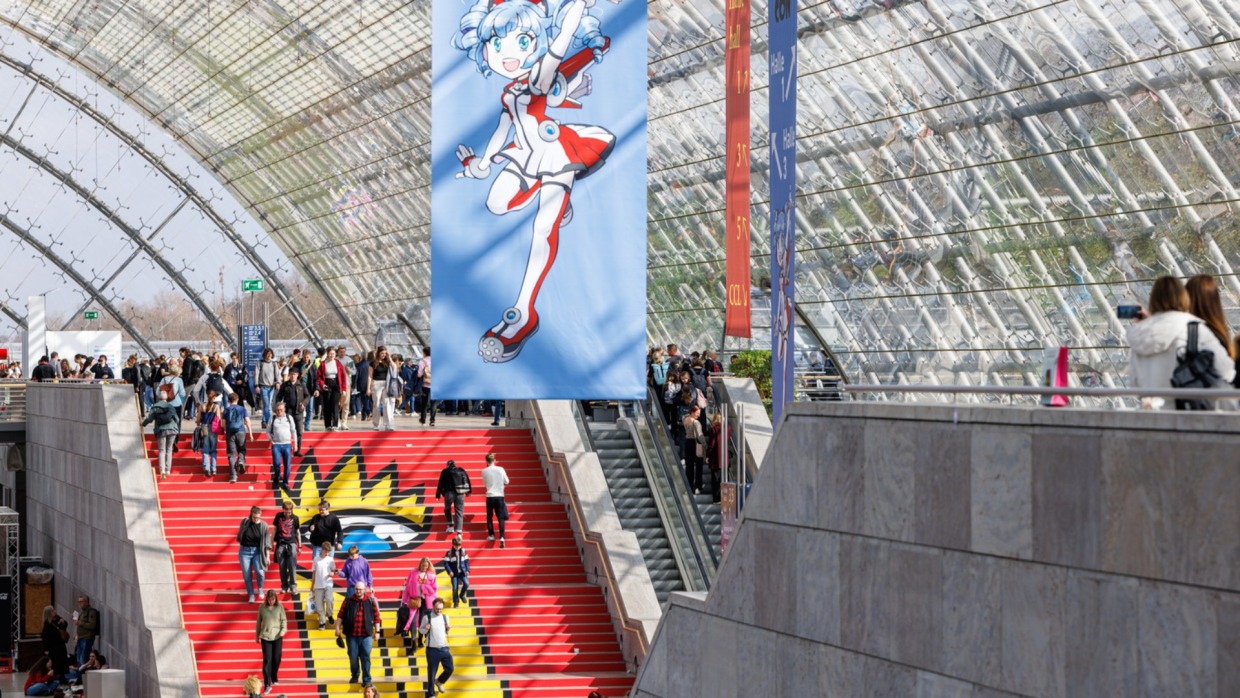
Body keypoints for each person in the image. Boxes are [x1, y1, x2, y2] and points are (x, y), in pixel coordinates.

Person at [1126, 275, 1234, 409]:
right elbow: (1227, 371)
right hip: (1188, 414)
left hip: (1152, 417)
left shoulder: (1140, 336)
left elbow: (1134, 384)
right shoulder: (1194, 329)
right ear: (1183, 296)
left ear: (1153, 299)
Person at [336, 580, 382, 686]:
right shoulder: (348, 600)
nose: (358, 591)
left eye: (360, 589)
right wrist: (337, 627)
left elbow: (377, 617)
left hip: (366, 634)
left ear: (364, 590)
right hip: (351, 635)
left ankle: (367, 679)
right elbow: (340, 614)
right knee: (353, 656)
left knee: (365, 656)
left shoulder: (370, 601)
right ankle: (355, 675)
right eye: (356, 589)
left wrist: (377, 631)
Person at [143, 384, 180, 480]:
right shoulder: (170, 406)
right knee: (169, 450)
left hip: (161, 430)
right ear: (166, 397)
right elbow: (177, 419)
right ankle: (168, 470)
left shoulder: (155, 407)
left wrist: (142, 424)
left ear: (159, 397)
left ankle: (162, 470)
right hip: (172, 429)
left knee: (161, 450)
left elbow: (149, 419)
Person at [419, 597, 454, 697]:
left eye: (441, 609)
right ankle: (431, 694)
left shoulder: (445, 617)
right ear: (433, 607)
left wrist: (448, 628)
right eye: (437, 609)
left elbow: (446, 631)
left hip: (444, 648)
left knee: (450, 668)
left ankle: (439, 681)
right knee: (431, 673)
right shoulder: (427, 617)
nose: (439, 611)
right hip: (432, 649)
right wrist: (425, 629)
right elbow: (421, 630)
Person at [400, 556, 438, 647]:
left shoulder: (431, 576)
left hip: (425, 601)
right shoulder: (413, 573)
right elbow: (408, 587)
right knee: (412, 621)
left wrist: (424, 587)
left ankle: (420, 640)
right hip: (414, 599)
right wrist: (405, 600)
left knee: (422, 621)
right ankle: (413, 641)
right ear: (420, 564)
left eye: (426, 566)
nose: (424, 567)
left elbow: (434, 589)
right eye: (423, 565)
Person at [237, 506, 271, 603]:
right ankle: (251, 594)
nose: (256, 519)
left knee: (260, 572)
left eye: (258, 517)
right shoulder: (245, 522)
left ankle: (260, 588)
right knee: (247, 575)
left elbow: (267, 541)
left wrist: (267, 556)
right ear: (251, 515)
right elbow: (240, 535)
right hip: (244, 551)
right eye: (254, 517)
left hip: (257, 551)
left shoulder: (264, 525)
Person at [256, 589, 287, 694]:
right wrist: (257, 636)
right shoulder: (262, 608)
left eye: (273, 599)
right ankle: (267, 684)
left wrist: (283, 630)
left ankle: (274, 675)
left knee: (277, 658)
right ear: (267, 599)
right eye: (269, 599)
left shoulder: (279, 607)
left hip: (278, 636)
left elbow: (284, 620)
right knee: (267, 661)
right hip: (265, 637)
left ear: (275, 599)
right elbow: (258, 622)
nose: (271, 601)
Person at [276, 367, 310, 456]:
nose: (293, 376)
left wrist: (303, 403)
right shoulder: (285, 385)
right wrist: (279, 406)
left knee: (299, 431)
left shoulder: (301, 385)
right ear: (289, 375)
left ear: (297, 375)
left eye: (294, 374)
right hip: (288, 412)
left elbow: (307, 396)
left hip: (298, 411)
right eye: (291, 374)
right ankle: (286, 450)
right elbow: (279, 397)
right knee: (286, 431)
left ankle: (297, 451)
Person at [223, 393, 254, 484]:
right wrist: (251, 434)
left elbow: (223, 423)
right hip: (241, 431)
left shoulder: (226, 410)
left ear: (229, 401)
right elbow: (247, 421)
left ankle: (233, 476)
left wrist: (225, 431)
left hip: (230, 433)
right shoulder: (242, 409)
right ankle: (240, 460)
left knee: (231, 454)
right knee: (242, 449)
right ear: (237, 399)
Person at [316, 347, 349, 431]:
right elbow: (319, 376)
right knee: (327, 405)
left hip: (336, 385)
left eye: (333, 354)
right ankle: (327, 425)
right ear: (327, 354)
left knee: (335, 405)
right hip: (327, 384)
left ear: (335, 354)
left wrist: (344, 389)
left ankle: (335, 424)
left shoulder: (340, 362)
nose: (332, 355)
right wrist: (322, 384)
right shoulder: (323, 364)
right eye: (330, 354)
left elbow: (344, 376)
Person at [267, 402, 298, 490]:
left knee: (287, 465)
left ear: (284, 409)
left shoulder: (289, 418)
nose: (279, 412)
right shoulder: (272, 418)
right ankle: (277, 476)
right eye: (278, 410)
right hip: (276, 444)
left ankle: (285, 483)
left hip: (287, 444)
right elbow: (268, 431)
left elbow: (293, 431)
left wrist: (295, 443)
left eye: (281, 410)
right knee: (276, 463)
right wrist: (271, 440)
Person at [435, 460, 471, 534]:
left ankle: (450, 526)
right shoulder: (461, 470)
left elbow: (440, 483)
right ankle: (459, 532)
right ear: (455, 465)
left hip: (448, 493)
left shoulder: (445, 471)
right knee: (459, 512)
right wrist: (469, 491)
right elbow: (467, 480)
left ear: (447, 465)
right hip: (460, 493)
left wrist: (438, 495)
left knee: (447, 509)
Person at [273, 500, 301, 594]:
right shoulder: (278, 516)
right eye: (286, 512)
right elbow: (274, 530)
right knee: (282, 567)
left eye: (289, 512)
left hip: (291, 544)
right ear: (283, 509)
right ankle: (284, 586)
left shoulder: (295, 518)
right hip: (281, 544)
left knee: (292, 566)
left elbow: (297, 532)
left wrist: (299, 546)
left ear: (292, 510)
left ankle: (293, 586)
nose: (287, 514)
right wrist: (271, 543)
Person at [482, 453, 510, 546]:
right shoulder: (500, 469)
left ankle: (491, 534)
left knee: (489, 516)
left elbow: (485, 484)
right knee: (500, 517)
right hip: (500, 495)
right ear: (494, 460)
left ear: (486, 461)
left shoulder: (484, 471)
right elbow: (507, 481)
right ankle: (502, 536)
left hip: (490, 495)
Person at [370, 346, 400, 431]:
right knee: (376, 404)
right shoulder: (373, 363)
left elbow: (394, 367)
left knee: (387, 404)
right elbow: (370, 376)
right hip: (376, 384)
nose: (383, 355)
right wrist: (368, 388)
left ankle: (387, 424)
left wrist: (389, 358)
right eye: (382, 353)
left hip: (386, 384)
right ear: (378, 353)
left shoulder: (387, 362)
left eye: (385, 353)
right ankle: (376, 424)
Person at [197, 390, 223, 478]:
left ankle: (206, 467)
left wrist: (198, 425)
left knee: (205, 449)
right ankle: (213, 468)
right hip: (213, 428)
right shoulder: (216, 406)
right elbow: (218, 419)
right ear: (214, 397)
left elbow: (198, 419)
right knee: (213, 449)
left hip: (204, 427)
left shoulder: (202, 406)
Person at [40, 605, 70, 679]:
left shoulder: (57, 618)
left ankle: (62, 677)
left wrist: (62, 623)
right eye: (53, 611)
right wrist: (46, 649)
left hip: (60, 645)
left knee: (63, 662)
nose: (55, 611)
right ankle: (57, 677)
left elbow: (64, 626)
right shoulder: (47, 624)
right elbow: (45, 637)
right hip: (53, 647)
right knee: (56, 663)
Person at [312, 542, 337, 629]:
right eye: (326, 551)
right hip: (318, 585)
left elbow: (335, 570)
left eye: (328, 552)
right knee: (319, 604)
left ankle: (329, 614)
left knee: (329, 599)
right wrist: (312, 585)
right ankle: (322, 622)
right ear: (322, 550)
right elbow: (314, 573)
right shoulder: (316, 559)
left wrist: (333, 573)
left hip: (328, 583)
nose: (327, 553)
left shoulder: (330, 559)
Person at [682, 404, 706, 493]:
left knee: (689, 466)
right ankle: (698, 486)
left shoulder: (685, 419)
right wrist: (705, 445)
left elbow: (684, 417)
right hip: (696, 444)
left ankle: (689, 486)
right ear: (692, 412)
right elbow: (700, 436)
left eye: (699, 413)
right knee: (699, 466)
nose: (698, 415)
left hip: (687, 443)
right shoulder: (696, 423)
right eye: (697, 413)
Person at [73, 595, 100, 670]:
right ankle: (79, 674)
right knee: (79, 657)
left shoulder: (91, 611)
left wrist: (80, 623)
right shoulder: (83, 612)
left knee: (83, 658)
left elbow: (92, 625)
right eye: (79, 602)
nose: (79, 603)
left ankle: (81, 675)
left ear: (86, 602)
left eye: (81, 602)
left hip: (87, 638)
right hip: (81, 637)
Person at [443, 535, 471, 607]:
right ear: (453, 545)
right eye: (456, 546)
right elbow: (446, 563)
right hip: (454, 573)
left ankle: (462, 595)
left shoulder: (464, 551)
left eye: (459, 546)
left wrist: (468, 570)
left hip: (462, 572)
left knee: (467, 584)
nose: (458, 547)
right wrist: (449, 571)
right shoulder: (449, 552)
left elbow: (467, 561)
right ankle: (456, 601)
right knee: (455, 588)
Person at [256, 348, 280, 428]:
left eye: (271, 354)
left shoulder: (274, 364)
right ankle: (269, 421)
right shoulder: (260, 363)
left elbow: (277, 375)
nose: (269, 355)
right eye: (268, 353)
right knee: (267, 405)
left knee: (268, 405)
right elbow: (256, 374)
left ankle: (263, 421)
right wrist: (256, 385)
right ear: (265, 354)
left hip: (272, 387)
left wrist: (278, 382)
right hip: (263, 387)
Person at [417, 346, 436, 426]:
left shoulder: (422, 362)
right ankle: (432, 420)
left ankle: (423, 419)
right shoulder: (436, 360)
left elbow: (419, 374)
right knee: (433, 403)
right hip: (435, 385)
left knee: (424, 403)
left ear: (424, 353)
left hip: (426, 385)